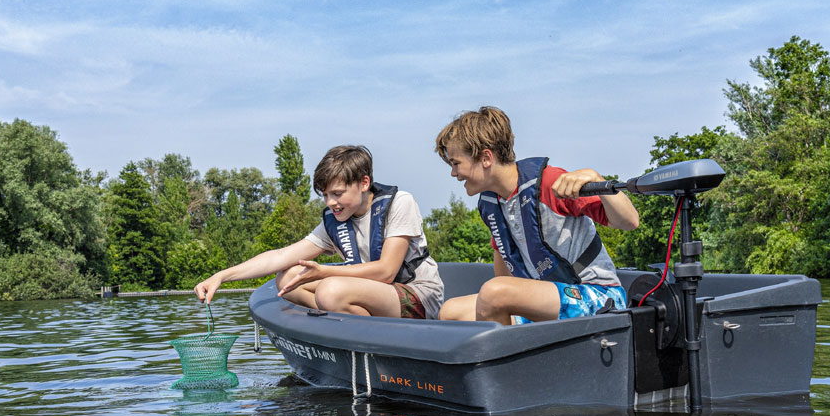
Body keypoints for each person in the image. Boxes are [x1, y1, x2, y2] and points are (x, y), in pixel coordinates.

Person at [434, 106, 639, 325]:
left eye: (456, 163)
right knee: (451, 311)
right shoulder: (492, 206)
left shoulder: (549, 183)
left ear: (485, 158)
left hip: (597, 296)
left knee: (494, 293)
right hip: (548, 299)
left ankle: (509, 358)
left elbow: (629, 221)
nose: (453, 173)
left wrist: (597, 180)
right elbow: (504, 277)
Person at [194, 145, 444, 319]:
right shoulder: (335, 220)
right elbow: (280, 256)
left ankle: (362, 327)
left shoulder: (400, 203)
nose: (330, 203)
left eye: (337, 194)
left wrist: (324, 272)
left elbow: (387, 271)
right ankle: (341, 317)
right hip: (369, 293)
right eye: (325, 195)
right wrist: (221, 276)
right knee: (288, 277)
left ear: (364, 183)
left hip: (416, 295)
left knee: (330, 290)